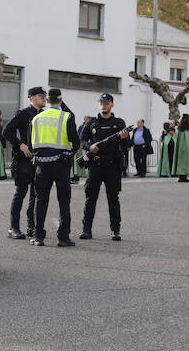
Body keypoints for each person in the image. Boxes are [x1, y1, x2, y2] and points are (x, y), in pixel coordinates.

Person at [29, 88, 80, 247]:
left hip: (41, 165)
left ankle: (38, 236)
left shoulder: (36, 118)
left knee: (40, 201)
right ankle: (63, 238)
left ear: (47, 100)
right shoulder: (66, 117)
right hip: (61, 165)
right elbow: (76, 143)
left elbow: (31, 144)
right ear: (61, 100)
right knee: (64, 202)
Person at [79, 93, 128, 241]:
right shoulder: (92, 123)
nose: (104, 105)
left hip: (112, 166)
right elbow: (81, 139)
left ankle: (115, 230)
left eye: (107, 103)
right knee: (90, 198)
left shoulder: (119, 123)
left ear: (112, 105)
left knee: (113, 199)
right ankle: (86, 229)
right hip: (95, 165)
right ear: (98, 104)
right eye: (101, 102)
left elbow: (126, 146)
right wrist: (89, 146)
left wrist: (125, 139)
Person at [2, 87, 46, 240]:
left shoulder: (44, 115)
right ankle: (13, 227)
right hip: (23, 160)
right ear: (32, 98)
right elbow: (6, 131)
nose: (44, 99)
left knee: (35, 195)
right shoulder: (23, 114)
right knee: (21, 193)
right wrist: (20, 145)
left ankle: (31, 226)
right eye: (41, 96)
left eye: (45, 96)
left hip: (38, 160)